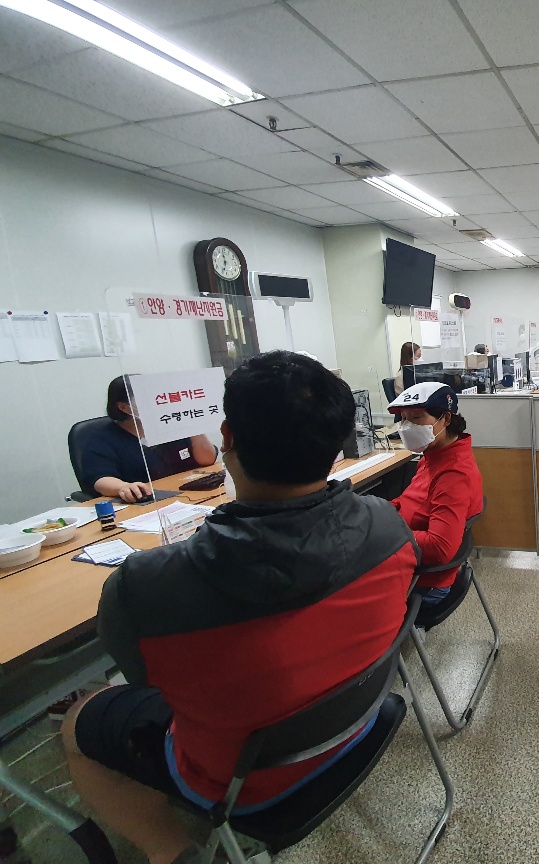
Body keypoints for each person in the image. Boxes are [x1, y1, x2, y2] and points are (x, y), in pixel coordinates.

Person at [62, 351, 418, 864]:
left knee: (80, 717)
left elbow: (145, 682)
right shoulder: (389, 525)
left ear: (227, 436)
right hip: (357, 724)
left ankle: (169, 851)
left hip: (238, 780)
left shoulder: (145, 588)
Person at [388, 382, 484, 607]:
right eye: (404, 419)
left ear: (446, 419)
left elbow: (440, 547)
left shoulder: (453, 474)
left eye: (417, 418)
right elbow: (410, 500)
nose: (407, 426)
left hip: (421, 583)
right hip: (406, 562)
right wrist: (376, 512)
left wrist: (385, 532)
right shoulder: (434, 455)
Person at [81, 376, 217, 502]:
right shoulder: (102, 439)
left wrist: (193, 424)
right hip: (146, 502)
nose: (156, 402)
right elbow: (100, 479)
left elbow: (207, 459)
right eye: (145, 398)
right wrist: (122, 487)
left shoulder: (170, 423)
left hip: (190, 496)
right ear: (123, 407)